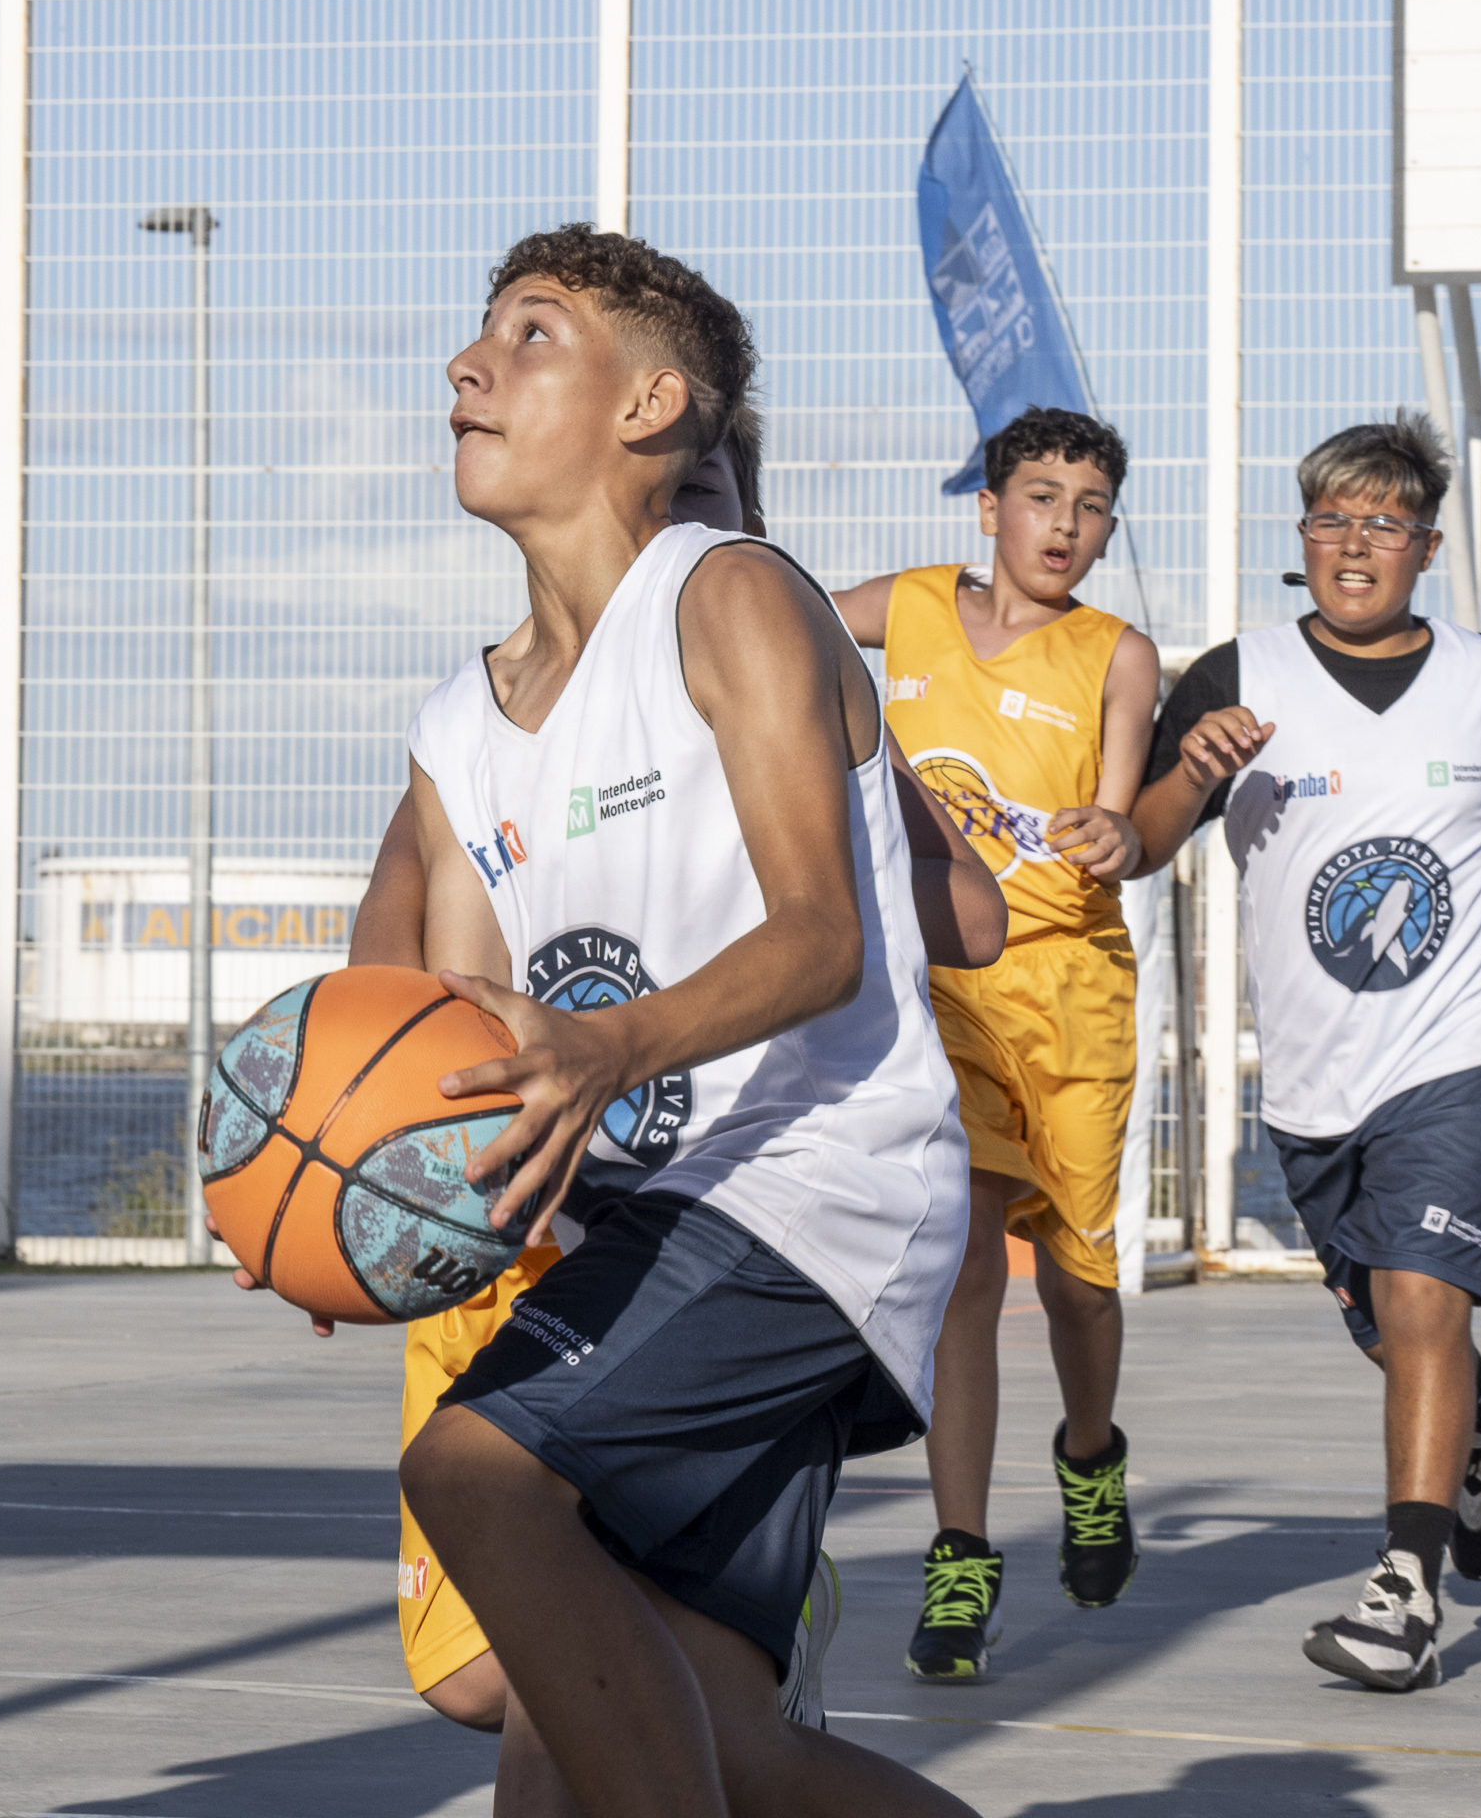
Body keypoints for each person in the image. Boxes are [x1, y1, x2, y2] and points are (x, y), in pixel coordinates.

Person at [385, 222, 979, 1817]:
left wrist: (606, 1044)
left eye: (529, 336)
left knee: (472, 1474)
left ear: (651, 405)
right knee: (657, 1742)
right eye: (477, 334)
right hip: (651, 1218)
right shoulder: (463, 724)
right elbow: (436, 1016)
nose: (469, 365)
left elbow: (824, 942)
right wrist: (355, 1190)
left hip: (816, 1186)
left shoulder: (734, 596)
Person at [1128, 412, 1481, 1693]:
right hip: (1318, 1077)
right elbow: (1142, 840)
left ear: (1426, 546)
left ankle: (1405, 1591)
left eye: (1382, 521)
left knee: (1421, 1297)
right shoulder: (1237, 673)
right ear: (1303, 538)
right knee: (1395, 1325)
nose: (1354, 542)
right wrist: (1190, 771)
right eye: (1332, 518)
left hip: (1472, 1043)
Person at [829, 405, 1158, 1680]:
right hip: (944, 986)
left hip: (1070, 992)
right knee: (966, 1268)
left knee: (1076, 1275)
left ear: (1107, 527)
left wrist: (1112, 834)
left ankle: (1090, 1453)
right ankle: (960, 1551)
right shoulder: (906, 609)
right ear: (989, 505)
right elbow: (759, 604)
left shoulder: (1117, 655)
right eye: (1040, 496)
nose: (1062, 523)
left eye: (1087, 505)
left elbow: (1121, 821)